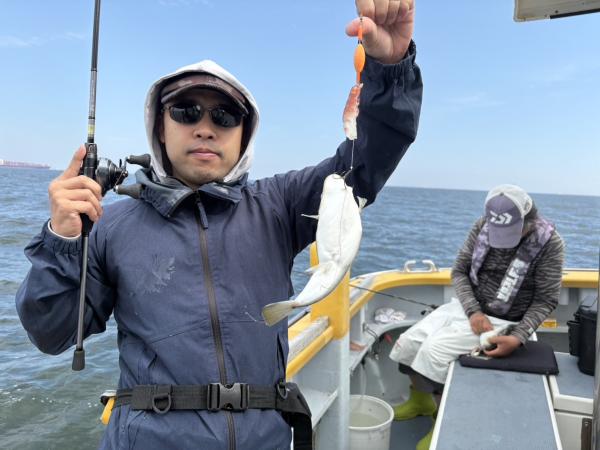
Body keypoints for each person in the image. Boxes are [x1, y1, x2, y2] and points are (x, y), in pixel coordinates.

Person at [15, 1, 422, 449]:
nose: (205, 128)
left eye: (225, 116)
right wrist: (62, 239)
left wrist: (390, 68)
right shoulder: (110, 226)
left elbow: (367, 158)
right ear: (160, 126)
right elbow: (52, 333)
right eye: (186, 112)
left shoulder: (279, 204)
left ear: (244, 133)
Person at [389, 184, 565, 450]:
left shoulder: (550, 244)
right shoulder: (481, 226)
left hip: (506, 321)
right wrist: (473, 311)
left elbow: (545, 299)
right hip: (469, 309)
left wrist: (518, 337)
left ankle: (440, 423)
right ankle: (421, 402)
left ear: (530, 221)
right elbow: (459, 271)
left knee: (433, 352)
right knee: (408, 343)